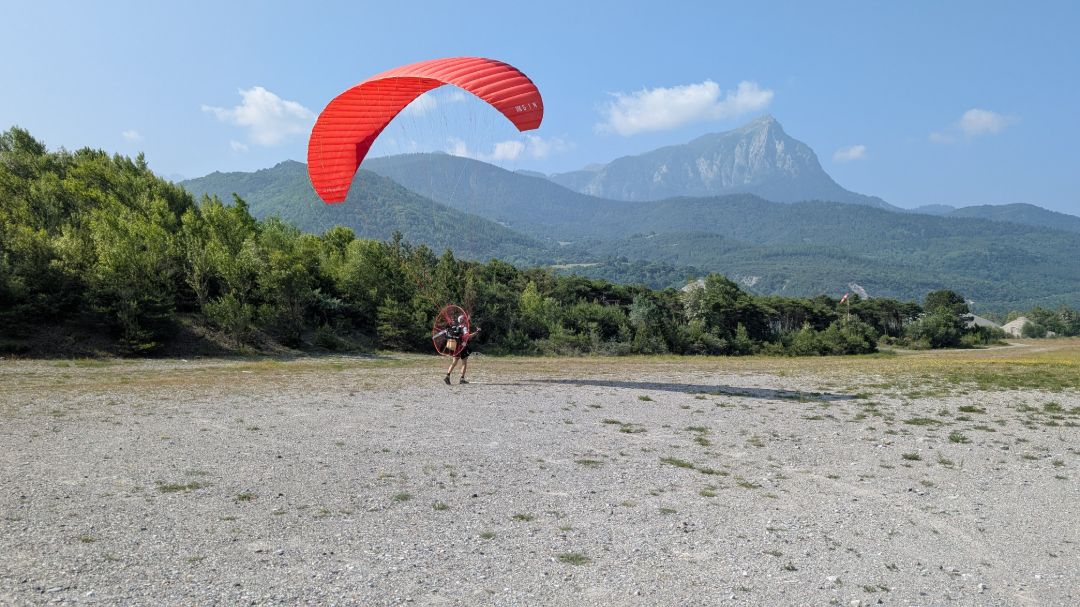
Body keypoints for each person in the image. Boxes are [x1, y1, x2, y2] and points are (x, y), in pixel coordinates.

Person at [439, 315, 479, 384]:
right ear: (463, 320)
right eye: (465, 319)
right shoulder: (464, 327)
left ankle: (447, 376)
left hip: (457, 347)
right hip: (463, 347)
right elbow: (468, 336)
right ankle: (462, 379)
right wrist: (476, 332)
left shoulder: (457, 327)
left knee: (454, 363)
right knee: (464, 363)